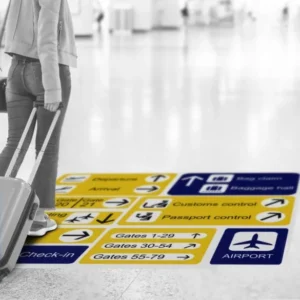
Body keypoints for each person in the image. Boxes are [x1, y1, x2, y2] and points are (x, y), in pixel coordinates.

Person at [0, 0, 77, 236]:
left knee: (14, 144)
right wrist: (53, 88)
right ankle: (38, 218)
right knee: (46, 148)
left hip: (15, 69)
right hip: (45, 71)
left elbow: (5, 25)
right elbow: (47, 36)